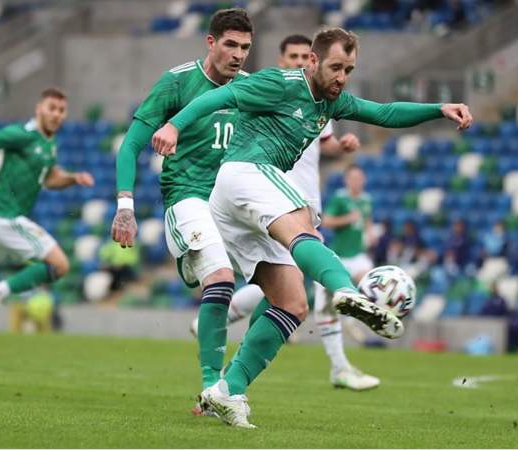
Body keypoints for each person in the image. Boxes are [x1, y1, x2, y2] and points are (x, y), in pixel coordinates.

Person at [152, 27, 472, 428]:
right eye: (336, 67)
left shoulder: (331, 103)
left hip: (237, 201)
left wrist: (439, 108)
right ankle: (346, 291)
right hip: (244, 172)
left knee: (292, 303)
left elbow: (385, 112)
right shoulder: (280, 82)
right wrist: (175, 125)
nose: (342, 77)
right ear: (314, 61)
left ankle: (227, 391)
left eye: (349, 69)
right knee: (304, 222)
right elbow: (222, 95)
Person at [111, 8, 253, 414]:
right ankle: (213, 387)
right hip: (187, 197)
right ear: (211, 42)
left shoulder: (249, 88)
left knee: (285, 291)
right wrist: (125, 207)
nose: (238, 54)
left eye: (245, 47)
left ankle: (235, 378)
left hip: (233, 204)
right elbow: (131, 145)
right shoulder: (177, 82)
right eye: (230, 44)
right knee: (222, 279)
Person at [224, 34, 380, 391]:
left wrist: (342, 146)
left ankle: (229, 372)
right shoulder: (274, 91)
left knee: (288, 296)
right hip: (271, 202)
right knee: (307, 290)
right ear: (289, 60)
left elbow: (329, 142)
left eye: (347, 69)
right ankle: (338, 361)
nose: (297, 61)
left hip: (303, 204)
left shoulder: (324, 102)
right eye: (292, 56)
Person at [0, 88, 94, 325]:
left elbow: (51, 178)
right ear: (38, 109)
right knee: (60, 265)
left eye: (62, 110)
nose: (56, 114)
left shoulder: (49, 143)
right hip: (5, 218)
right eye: (51, 108)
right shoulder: (22, 134)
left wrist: (73, 178)